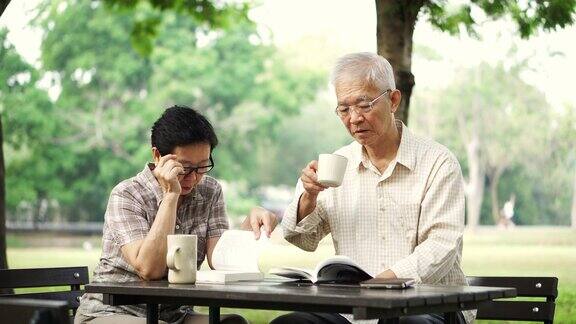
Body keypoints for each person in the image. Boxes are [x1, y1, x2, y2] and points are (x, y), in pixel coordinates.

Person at [273, 53, 472, 324]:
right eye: (344, 109)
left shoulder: (437, 162)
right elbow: (300, 239)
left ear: (393, 100)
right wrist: (309, 195)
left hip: (431, 305)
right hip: (353, 310)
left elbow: (441, 246)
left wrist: (379, 284)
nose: (354, 118)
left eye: (364, 105)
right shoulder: (337, 164)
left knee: (401, 323)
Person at [75, 105, 276, 324]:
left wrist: (250, 224)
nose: (194, 178)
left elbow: (220, 259)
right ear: (157, 155)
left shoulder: (210, 191)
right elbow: (149, 269)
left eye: (202, 166)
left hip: (174, 315)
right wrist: (170, 195)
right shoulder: (127, 195)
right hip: (111, 312)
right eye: (184, 168)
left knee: (233, 322)